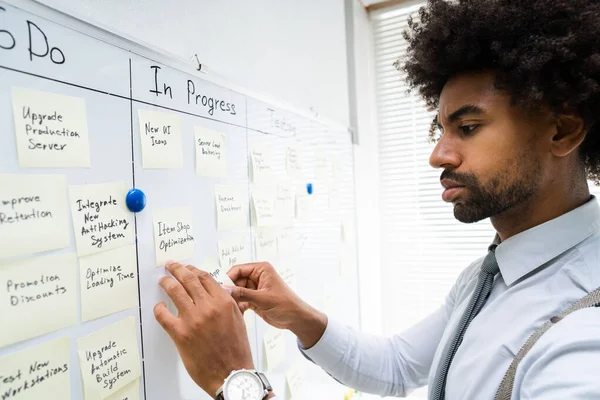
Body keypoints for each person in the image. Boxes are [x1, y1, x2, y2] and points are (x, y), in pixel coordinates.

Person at [154, 0, 600, 399]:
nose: (438, 155)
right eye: (439, 130)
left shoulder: (583, 336)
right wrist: (299, 317)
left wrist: (234, 381)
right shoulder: (489, 276)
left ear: (561, 131)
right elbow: (398, 366)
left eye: (467, 128)